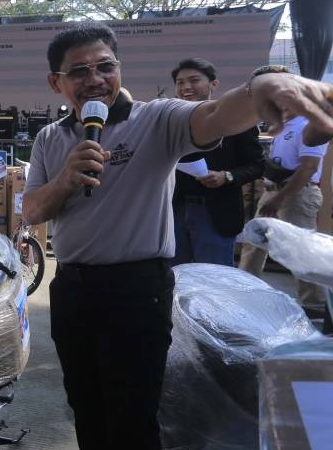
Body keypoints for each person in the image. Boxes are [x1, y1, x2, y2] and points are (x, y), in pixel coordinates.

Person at [21, 22, 333, 450]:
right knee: (85, 405)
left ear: (119, 69)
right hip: (72, 290)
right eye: (79, 71)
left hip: (137, 288)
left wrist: (261, 88)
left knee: (134, 413)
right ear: (56, 82)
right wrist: (64, 180)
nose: (94, 79)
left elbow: (214, 116)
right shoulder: (48, 139)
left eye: (105, 66)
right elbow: (33, 209)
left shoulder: (158, 118)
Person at [170, 58, 264, 267]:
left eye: (194, 80)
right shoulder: (170, 121)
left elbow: (257, 165)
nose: (186, 87)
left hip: (215, 212)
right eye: (180, 82)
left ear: (214, 84)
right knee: (176, 278)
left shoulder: (235, 120)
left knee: (214, 280)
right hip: (174, 210)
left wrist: (227, 176)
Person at [239, 115, 329, 319]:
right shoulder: (281, 127)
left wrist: (279, 199)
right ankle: (244, 292)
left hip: (296, 195)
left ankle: (314, 306)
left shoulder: (308, 126)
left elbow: (309, 167)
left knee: (302, 250)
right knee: (253, 244)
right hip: (273, 192)